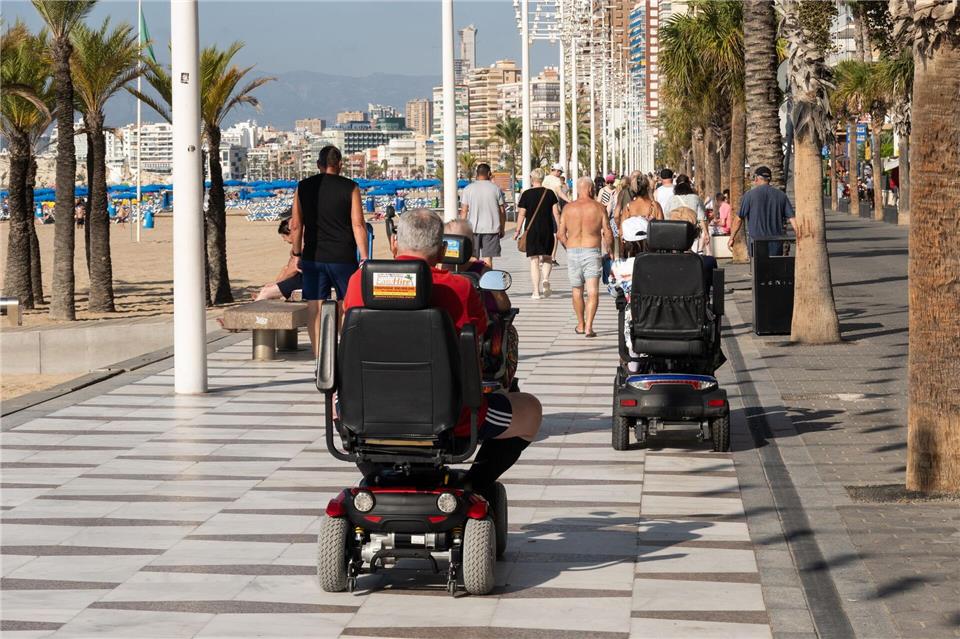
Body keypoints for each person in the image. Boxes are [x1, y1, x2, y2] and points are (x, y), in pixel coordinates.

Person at [342, 209, 542, 495]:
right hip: (449, 420)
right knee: (530, 412)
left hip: (362, 416)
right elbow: (482, 336)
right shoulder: (459, 288)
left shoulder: (357, 283)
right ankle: (475, 485)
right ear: (440, 251)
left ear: (395, 243)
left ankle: (380, 477)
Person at [289, 144, 369, 354]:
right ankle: (344, 354)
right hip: (343, 256)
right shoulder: (351, 187)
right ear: (340, 165)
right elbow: (358, 224)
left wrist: (296, 253)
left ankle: (319, 360)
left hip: (314, 256)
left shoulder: (303, 187)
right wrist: (365, 257)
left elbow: (296, 225)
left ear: (318, 165)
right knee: (346, 303)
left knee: (314, 306)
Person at [557, 177, 612, 338]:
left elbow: (560, 234)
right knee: (593, 291)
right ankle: (589, 327)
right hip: (592, 250)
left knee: (576, 290)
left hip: (573, 250)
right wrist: (609, 250)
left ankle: (580, 324)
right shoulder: (599, 207)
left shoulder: (568, 208)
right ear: (590, 189)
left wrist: (569, 247)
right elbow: (607, 232)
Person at [728, 165, 798, 256]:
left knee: (758, 269)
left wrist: (731, 237)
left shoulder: (749, 195)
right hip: (776, 243)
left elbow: (738, 219)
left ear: (756, 178)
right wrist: (800, 237)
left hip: (756, 242)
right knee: (775, 269)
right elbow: (792, 219)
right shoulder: (781, 195)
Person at [445, 218, 511, 314]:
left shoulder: (433, 270)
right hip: (479, 324)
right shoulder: (483, 271)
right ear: (471, 244)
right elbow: (504, 305)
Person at [514, 168, 560, 299]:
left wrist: (517, 231)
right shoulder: (550, 193)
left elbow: (521, 214)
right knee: (547, 257)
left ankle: (535, 292)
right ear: (542, 178)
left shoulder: (526, 194)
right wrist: (560, 227)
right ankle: (545, 278)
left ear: (531, 179)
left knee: (534, 260)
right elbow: (556, 212)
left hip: (532, 230)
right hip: (547, 229)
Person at [459, 163, 506, 268]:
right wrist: (502, 228)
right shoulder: (495, 189)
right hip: (491, 229)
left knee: (473, 258)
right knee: (488, 260)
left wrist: (462, 230)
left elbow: (464, 211)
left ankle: (473, 281)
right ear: (489, 173)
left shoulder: (468, 189)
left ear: (477, 174)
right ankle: (487, 282)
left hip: (473, 229)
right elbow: (502, 211)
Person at [255, 216, 303, 301]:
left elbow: (292, 270)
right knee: (283, 271)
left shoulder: (299, 246)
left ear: (291, 233)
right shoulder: (305, 242)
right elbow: (288, 269)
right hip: (306, 277)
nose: (284, 240)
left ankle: (254, 313)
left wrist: (276, 284)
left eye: (284, 237)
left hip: (306, 279)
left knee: (265, 292)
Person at [665, 174, 711, 255]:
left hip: (674, 231)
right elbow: (701, 218)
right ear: (689, 185)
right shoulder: (695, 198)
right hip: (690, 231)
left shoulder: (671, 199)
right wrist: (706, 233)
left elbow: (666, 217)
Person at [620, 174, 663, 256]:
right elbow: (661, 229)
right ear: (647, 188)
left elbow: (622, 232)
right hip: (650, 250)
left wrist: (623, 251)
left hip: (632, 251)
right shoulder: (655, 206)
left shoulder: (628, 207)